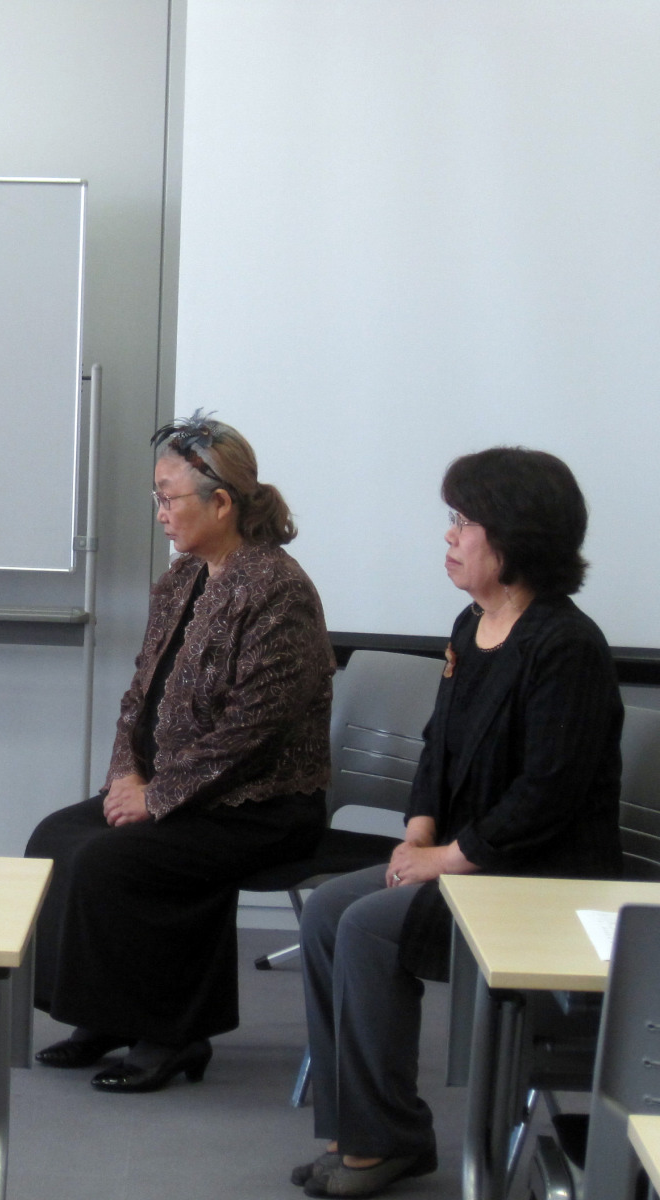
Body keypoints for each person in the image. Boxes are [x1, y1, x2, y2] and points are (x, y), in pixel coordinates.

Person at [294, 448, 622, 1198]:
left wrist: (443, 859)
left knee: (369, 928)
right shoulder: (471, 624)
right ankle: (357, 1130)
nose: (450, 535)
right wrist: (419, 830)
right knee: (327, 913)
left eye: (465, 521)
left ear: (514, 535)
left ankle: (385, 1142)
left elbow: (546, 797)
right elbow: (439, 745)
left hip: (539, 874)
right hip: (469, 858)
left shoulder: (567, 646)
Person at [25, 411, 334, 1093]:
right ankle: (106, 1015)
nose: (160, 512)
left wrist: (158, 796)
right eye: (156, 496)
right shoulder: (183, 578)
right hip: (184, 787)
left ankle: (174, 1034)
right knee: (56, 838)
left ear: (221, 503)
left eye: (169, 497)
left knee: (115, 859)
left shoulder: (277, 591)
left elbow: (254, 732)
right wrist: (126, 773)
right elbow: (140, 693)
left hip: (263, 804)